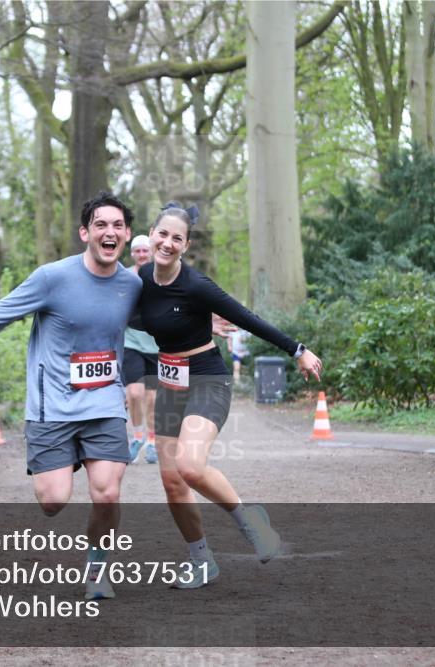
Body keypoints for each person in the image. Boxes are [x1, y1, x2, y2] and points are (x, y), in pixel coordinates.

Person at [0, 192, 140, 601]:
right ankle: (69, 463)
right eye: (100, 225)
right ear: (85, 233)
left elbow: (171, 313)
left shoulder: (132, 285)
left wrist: (205, 332)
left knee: (108, 492)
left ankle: (98, 566)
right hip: (53, 406)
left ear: (128, 235)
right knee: (53, 500)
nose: (109, 232)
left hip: (104, 403)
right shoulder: (53, 278)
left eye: (117, 226)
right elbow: (0, 312)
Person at [136, 202, 322, 589]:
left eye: (177, 238)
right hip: (170, 382)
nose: (167, 243)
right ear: (150, 234)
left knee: (189, 465)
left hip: (206, 378)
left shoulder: (197, 285)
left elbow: (246, 318)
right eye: (162, 234)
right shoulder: (140, 280)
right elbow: (131, 315)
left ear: (185, 246)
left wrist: (298, 350)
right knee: (172, 482)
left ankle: (251, 522)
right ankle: (201, 560)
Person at [123, 235, 160, 464]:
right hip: (131, 342)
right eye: (137, 251)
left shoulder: (162, 275)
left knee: (153, 398)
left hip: (156, 344)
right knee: (135, 394)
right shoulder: (125, 277)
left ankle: (152, 442)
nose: (142, 255)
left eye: (145, 251)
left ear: (152, 252)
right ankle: (137, 437)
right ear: (132, 254)